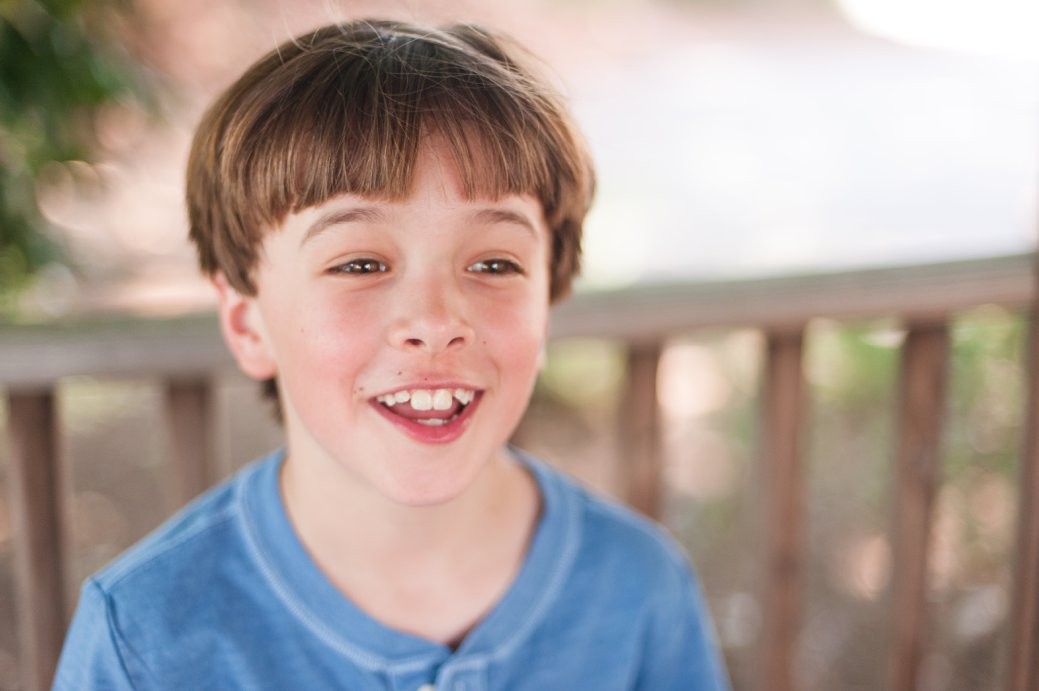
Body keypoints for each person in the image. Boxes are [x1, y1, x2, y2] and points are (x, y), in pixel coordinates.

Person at [53, 19, 730, 690]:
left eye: (494, 262)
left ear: (546, 303)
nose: (436, 321)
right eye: (360, 263)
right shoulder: (141, 637)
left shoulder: (639, 588)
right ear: (248, 322)